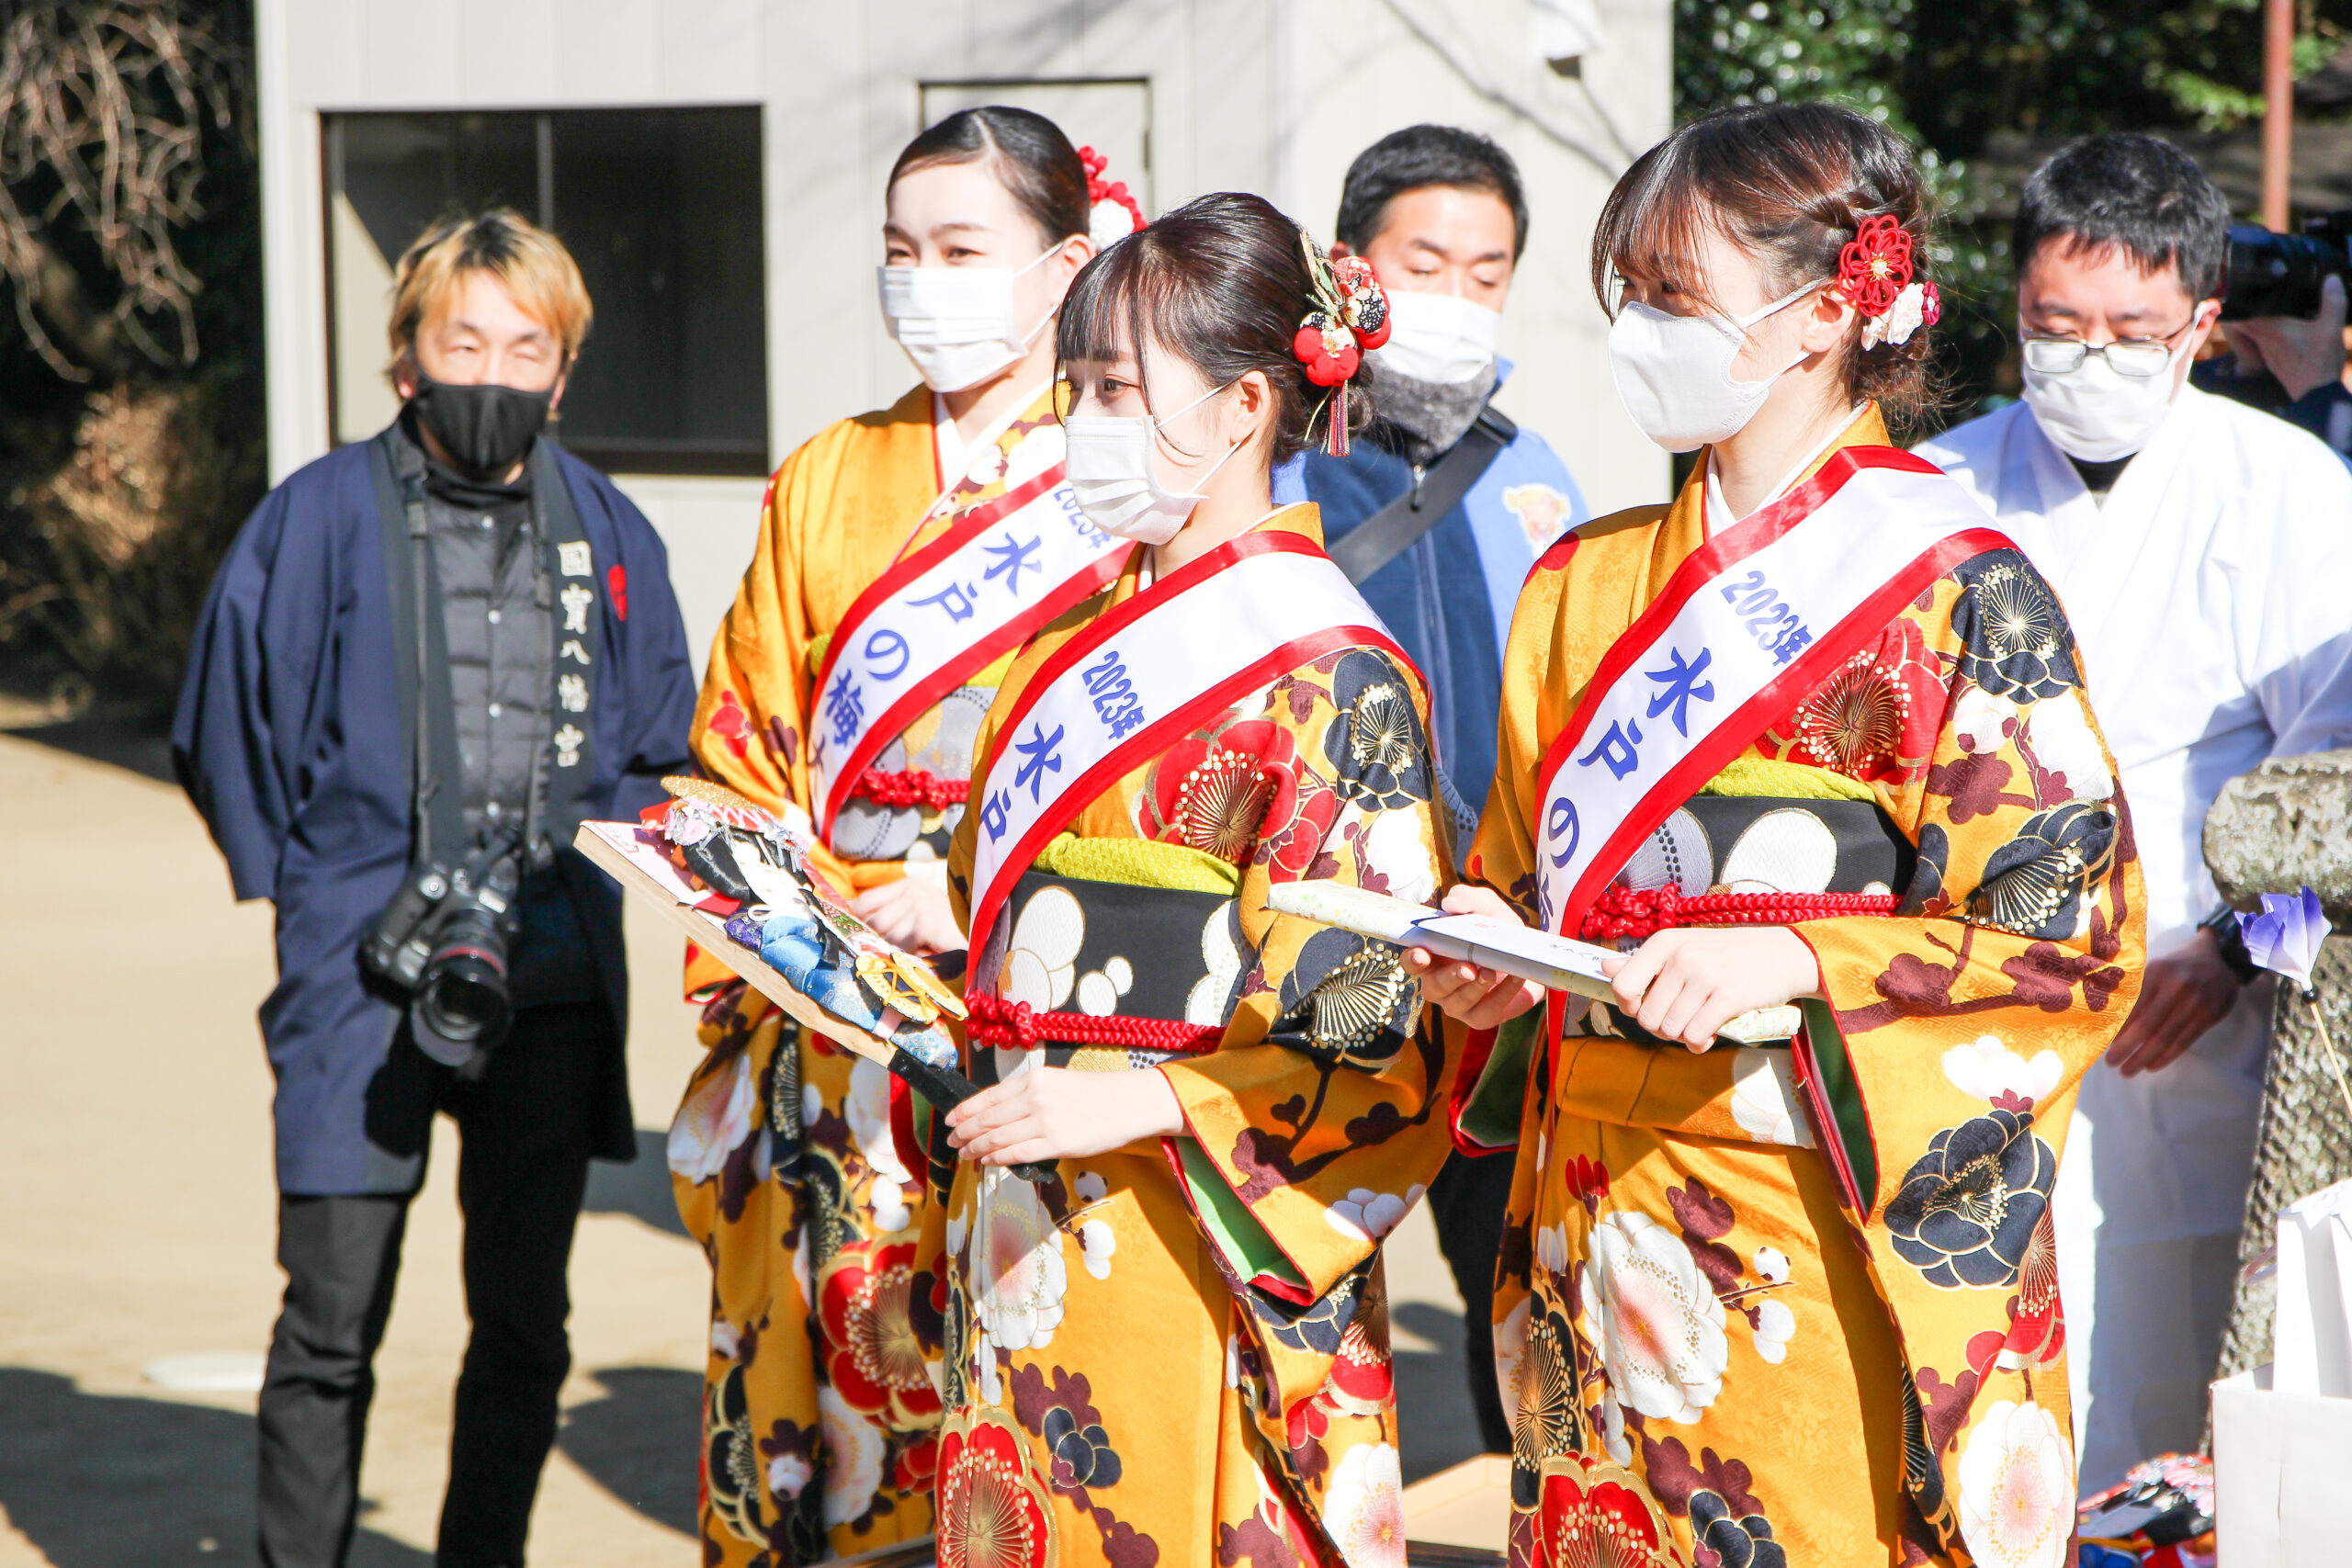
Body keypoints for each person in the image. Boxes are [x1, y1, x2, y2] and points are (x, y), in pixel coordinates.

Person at [1412, 103, 2145, 1564]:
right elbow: (1512, 874)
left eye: (1674, 300)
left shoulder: (1954, 589)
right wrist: (1484, 951)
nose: (1637, 334)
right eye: (1627, 298)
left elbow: (2067, 933)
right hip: (1592, 1205)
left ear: (1823, 315)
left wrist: (1804, 959)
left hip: (1809, 1216)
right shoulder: (1580, 581)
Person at [929, 191, 1460, 1563]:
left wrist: (1132, 1100)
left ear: (1241, 410)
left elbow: (1369, 1029)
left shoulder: (1332, 677)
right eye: (1080, 386)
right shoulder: (1072, 647)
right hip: (1027, 1197)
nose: (1082, 421)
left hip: (1199, 1224)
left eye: (1117, 389)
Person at [174, 210, 695, 1568]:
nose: (494, 371)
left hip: (554, 978)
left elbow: (654, 753)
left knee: (525, 1325)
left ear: (564, 370)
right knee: (329, 1320)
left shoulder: (614, 531)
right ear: (404, 357)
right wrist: (322, 891)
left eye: (528, 347)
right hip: (360, 980)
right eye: (463, 339)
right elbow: (231, 725)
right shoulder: (316, 518)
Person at [673, 107, 1137, 1561]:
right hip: (832, 1012)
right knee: (837, 1379)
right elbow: (741, 742)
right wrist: (773, 916)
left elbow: (1148, 777)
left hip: (1027, 1011)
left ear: (1066, 265)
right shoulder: (829, 474)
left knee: (1019, 1409)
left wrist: (979, 887)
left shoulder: (1123, 476)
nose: (921, 279)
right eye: (899, 250)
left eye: (960, 250)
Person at [1916, 133, 2352, 1493]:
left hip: (2201, 1022)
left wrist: (2235, 954)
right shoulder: (1931, 492)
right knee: (1980, 1386)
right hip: (1972, 1006)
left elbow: (2338, 800)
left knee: (2177, 1385)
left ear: (2201, 325)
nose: (2088, 358)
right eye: (2057, 325)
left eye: (2131, 330)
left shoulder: (2286, 490)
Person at [1272, 125, 1587, 1457]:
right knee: (1294, 1271)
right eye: (1425, 260)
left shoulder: (1537, 472)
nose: (1458, 293)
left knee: (1509, 1278)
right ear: (1352, 265)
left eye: (1488, 268)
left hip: (1479, 954)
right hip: (1300, 945)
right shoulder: (1271, 450)